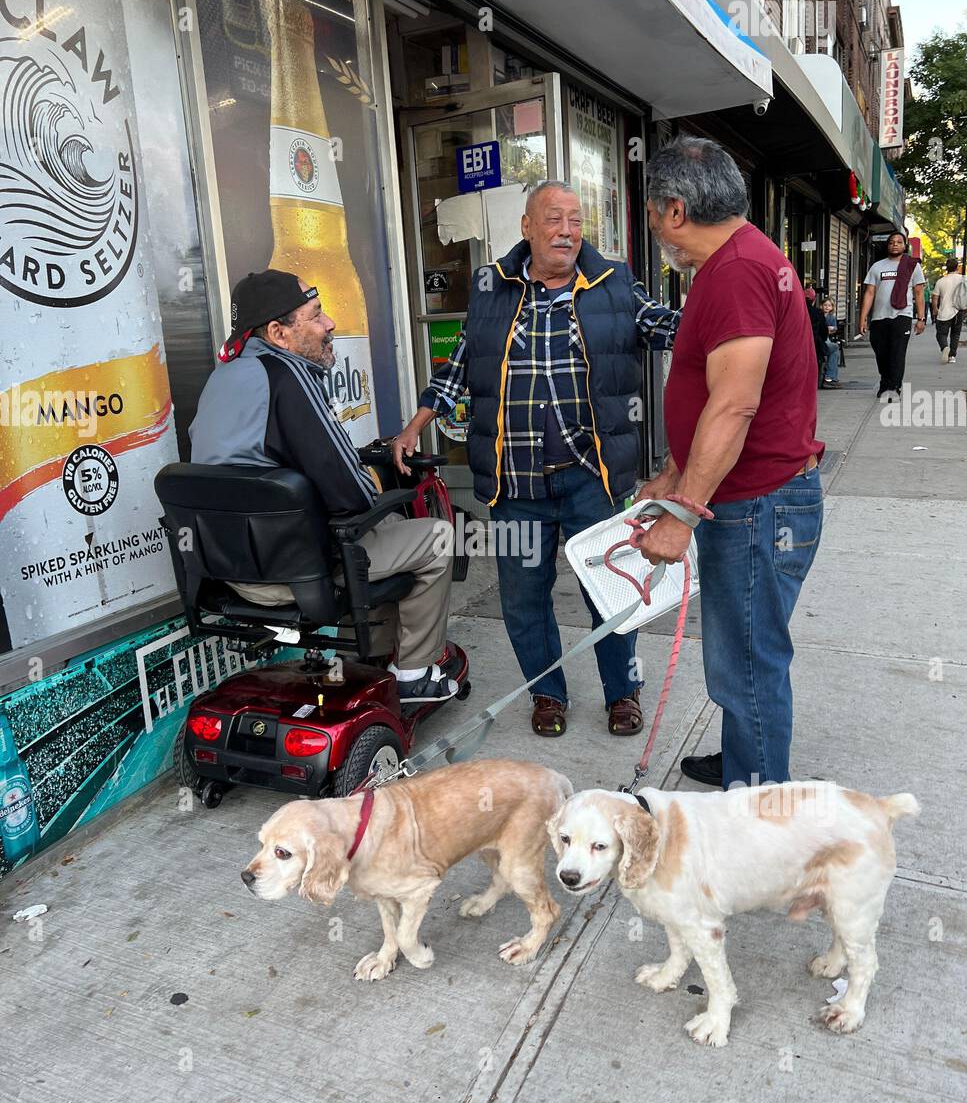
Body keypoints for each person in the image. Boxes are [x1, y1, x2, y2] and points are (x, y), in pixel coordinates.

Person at [392, 180, 680, 739]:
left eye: (575, 220)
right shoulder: (491, 289)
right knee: (523, 599)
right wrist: (416, 425)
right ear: (527, 227)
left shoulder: (613, 283)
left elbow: (666, 326)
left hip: (591, 477)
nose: (567, 231)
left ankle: (623, 693)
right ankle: (548, 693)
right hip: (514, 483)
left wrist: (725, 318)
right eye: (554, 219)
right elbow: (462, 365)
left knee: (612, 588)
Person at [634, 135, 824, 791]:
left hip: (754, 506)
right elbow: (713, 397)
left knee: (746, 663)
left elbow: (735, 404)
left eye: (655, 217)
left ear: (676, 209)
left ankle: (762, 801)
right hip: (752, 501)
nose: (658, 231)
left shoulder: (737, 271)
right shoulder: (744, 259)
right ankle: (749, 759)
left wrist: (682, 512)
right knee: (741, 658)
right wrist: (670, 475)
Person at [189, 270, 457, 703]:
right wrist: (379, 490)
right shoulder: (287, 374)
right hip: (292, 573)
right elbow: (349, 492)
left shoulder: (225, 376)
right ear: (279, 333)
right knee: (434, 537)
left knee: (374, 533)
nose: (330, 323)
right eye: (315, 316)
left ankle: (368, 661)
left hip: (229, 570)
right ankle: (413, 675)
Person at [858, 232, 925, 400]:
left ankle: (893, 387)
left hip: (902, 315)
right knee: (881, 353)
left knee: (897, 353)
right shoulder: (877, 267)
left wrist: (921, 319)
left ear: (905, 246)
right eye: (892, 242)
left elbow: (919, 293)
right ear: (887, 246)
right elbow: (869, 293)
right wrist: (863, 318)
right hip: (879, 318)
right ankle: (885, 381)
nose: (895, 244)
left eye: (899, 242)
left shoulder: (912, 266)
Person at [931, 257, 967, 364]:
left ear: (946, 268)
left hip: (944, 312)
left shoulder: (941, 281)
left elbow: (935, 297)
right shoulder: (964, 279)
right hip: (959, 310)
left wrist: (935, 309)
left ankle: (944, 347)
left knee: (941, 334)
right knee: (955, 335)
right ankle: (952, 356)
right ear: (957, 267)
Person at [804, 285, 831, 389]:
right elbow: (824, 331)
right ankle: (829, 377)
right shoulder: (818, 313)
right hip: (815, 343)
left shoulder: (797, 310)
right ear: (814, 300)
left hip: (799, 343)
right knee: (832, 349)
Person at [820, 296, 842, 387]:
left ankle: (831, 377)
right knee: (835, 349)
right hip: (822, 339)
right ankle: (830, 377)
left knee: (835, 351)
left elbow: (835, 328)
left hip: (827, 337)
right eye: (825, 305)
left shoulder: (831, 317)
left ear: (832, 307)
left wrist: (832, 329)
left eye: (829, 305)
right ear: (821, 306)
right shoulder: (819, 315)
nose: (827, 307)